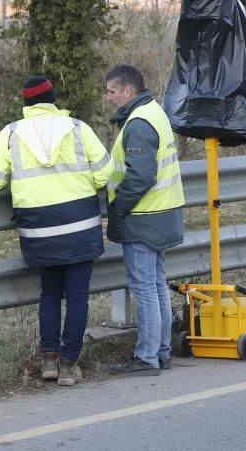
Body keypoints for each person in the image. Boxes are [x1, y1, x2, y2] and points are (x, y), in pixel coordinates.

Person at [0, 76, 113, 386]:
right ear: (54, 100)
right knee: (78, 297)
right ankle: (69, 365)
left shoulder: (11, 133)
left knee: (50, 292)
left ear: (26, 104)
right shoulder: (78, 129)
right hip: (79, 226)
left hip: (39, 230)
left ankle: (49, 360)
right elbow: (105, 173)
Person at [104, 64, 185, 375]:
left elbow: (141, 177)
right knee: (156, 284)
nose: (109, 97)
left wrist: (117, 210)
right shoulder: (154, 111)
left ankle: (147, 357)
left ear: (128, 91)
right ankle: (161, 351)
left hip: (144, 216)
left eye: (112, 91)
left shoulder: (138, 123)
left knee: (144, 288)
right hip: (164, 212)